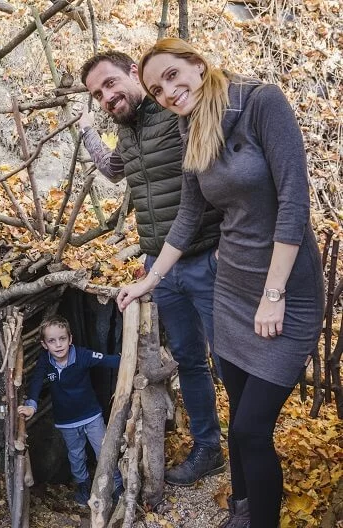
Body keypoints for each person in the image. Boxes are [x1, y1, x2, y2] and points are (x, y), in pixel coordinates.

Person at [120, 38, 325, 527]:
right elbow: (189, 216)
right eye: (156, 87)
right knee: (238, 409)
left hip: (285, 290)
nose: (168, 91)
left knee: (253, 429)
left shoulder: (260, 103)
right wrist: (151, 280)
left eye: (172, 75)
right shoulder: (190, 128)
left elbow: (295, 202)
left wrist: (274, 294)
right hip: (232, 287)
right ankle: (242, 508)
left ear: (196, 63)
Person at [79, 51, 225, 486]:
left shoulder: (173, 114)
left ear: (132, 73)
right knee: (189, 359)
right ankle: (209, 448)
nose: (106, 97)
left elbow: (217, 173)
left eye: (110, 83)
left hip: (205, 256)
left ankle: (252, 447)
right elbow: (111, 171)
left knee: (231, 357)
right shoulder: (126, 132)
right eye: (97, 94)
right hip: (159, 267)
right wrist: (88, 133)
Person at [17, 316, 123, 506]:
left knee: (104, 451)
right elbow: (36, 382)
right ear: (44, 344)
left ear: (70, 339)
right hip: (66, 421)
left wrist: (129, 357)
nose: (58, 345)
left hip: (91, 416)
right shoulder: (45, 361)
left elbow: (108, 361)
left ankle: (117, 486)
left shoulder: (82, 355)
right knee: (76, 455)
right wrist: (32, 404)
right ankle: (83, 485)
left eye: (62, 339)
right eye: (52, 341)